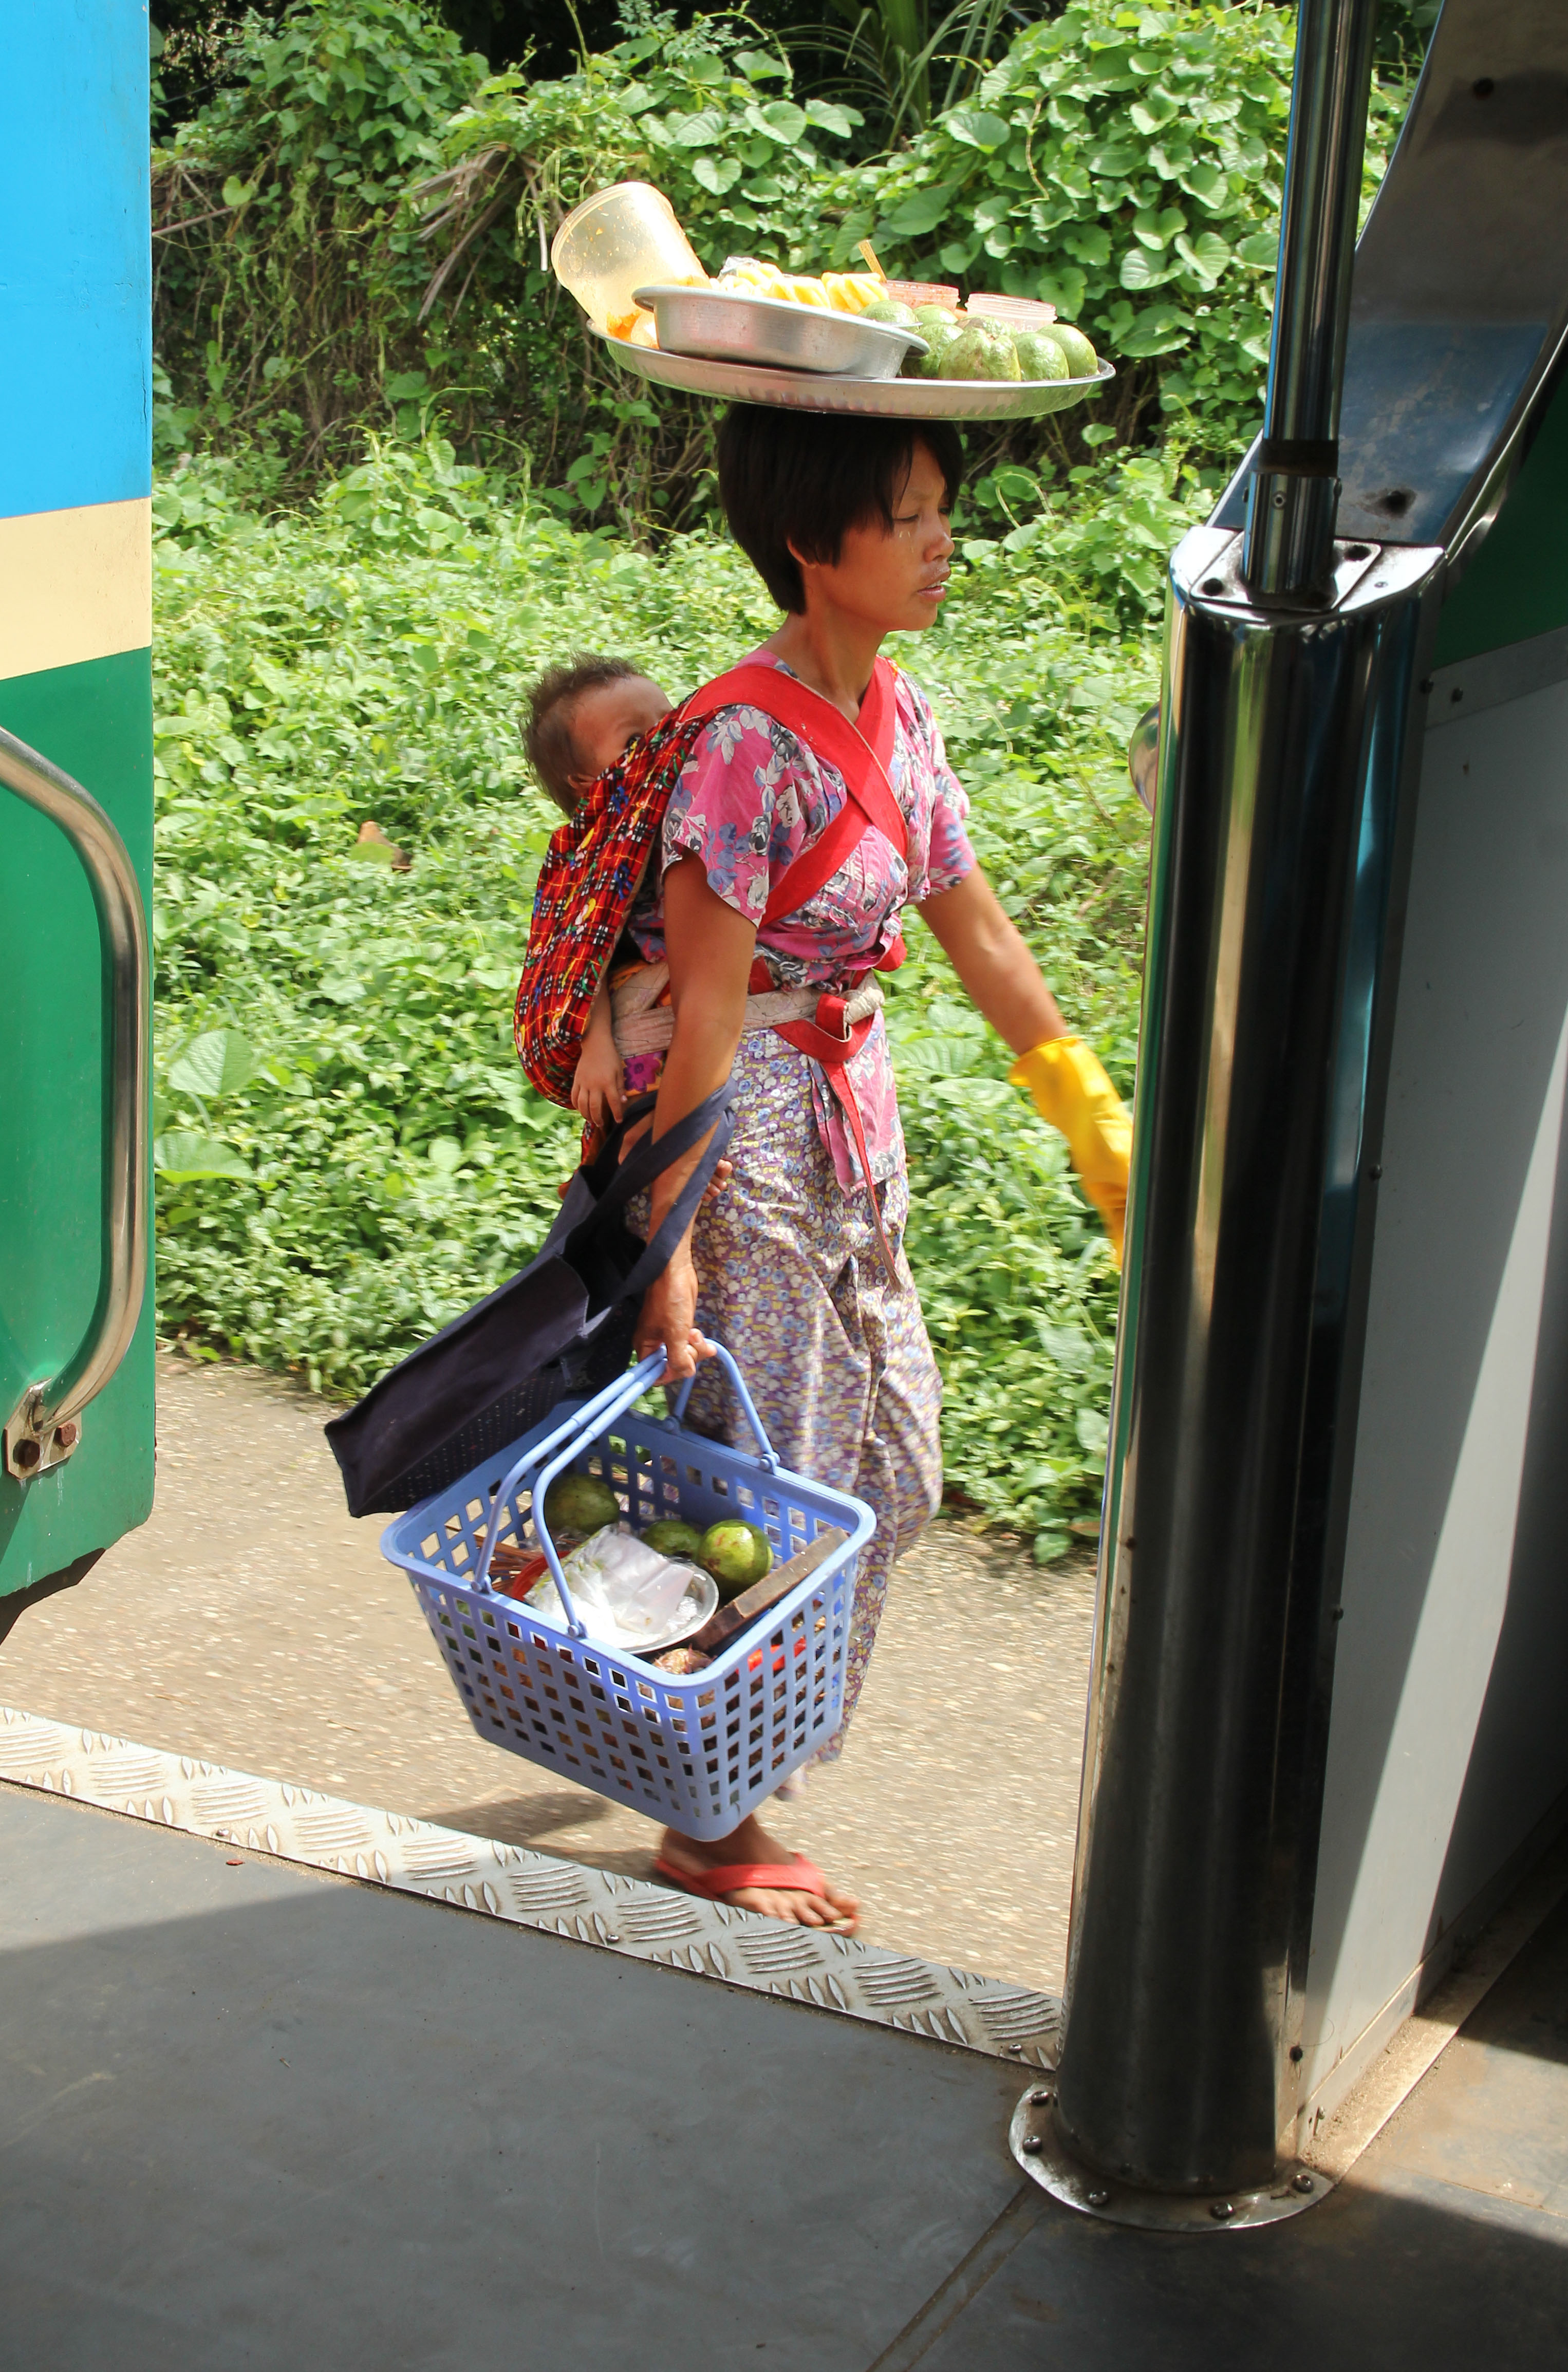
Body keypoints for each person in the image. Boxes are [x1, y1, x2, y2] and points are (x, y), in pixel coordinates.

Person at [624, 404, 1131, 1934]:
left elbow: (972, 931)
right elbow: (702, 1008)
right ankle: (709, 1815)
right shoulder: (737, 746)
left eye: (937, 509)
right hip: (755, 1135)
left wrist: (1086, 1112)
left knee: (894, 1464)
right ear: (807, 540)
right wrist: (672, 1241)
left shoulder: (896, 715)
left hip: (857, 1117)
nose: (938, 540)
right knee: (766, 1476)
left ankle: (722, 1745)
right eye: (904, 514)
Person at [520, 656, 673, 1132]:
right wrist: (596, 1045)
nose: (663, 741)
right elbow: (582, 955)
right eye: (635, 740)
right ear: (588, 785)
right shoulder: (596, 849)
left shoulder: (698, 801)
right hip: (641, 1023)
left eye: (669, 722)